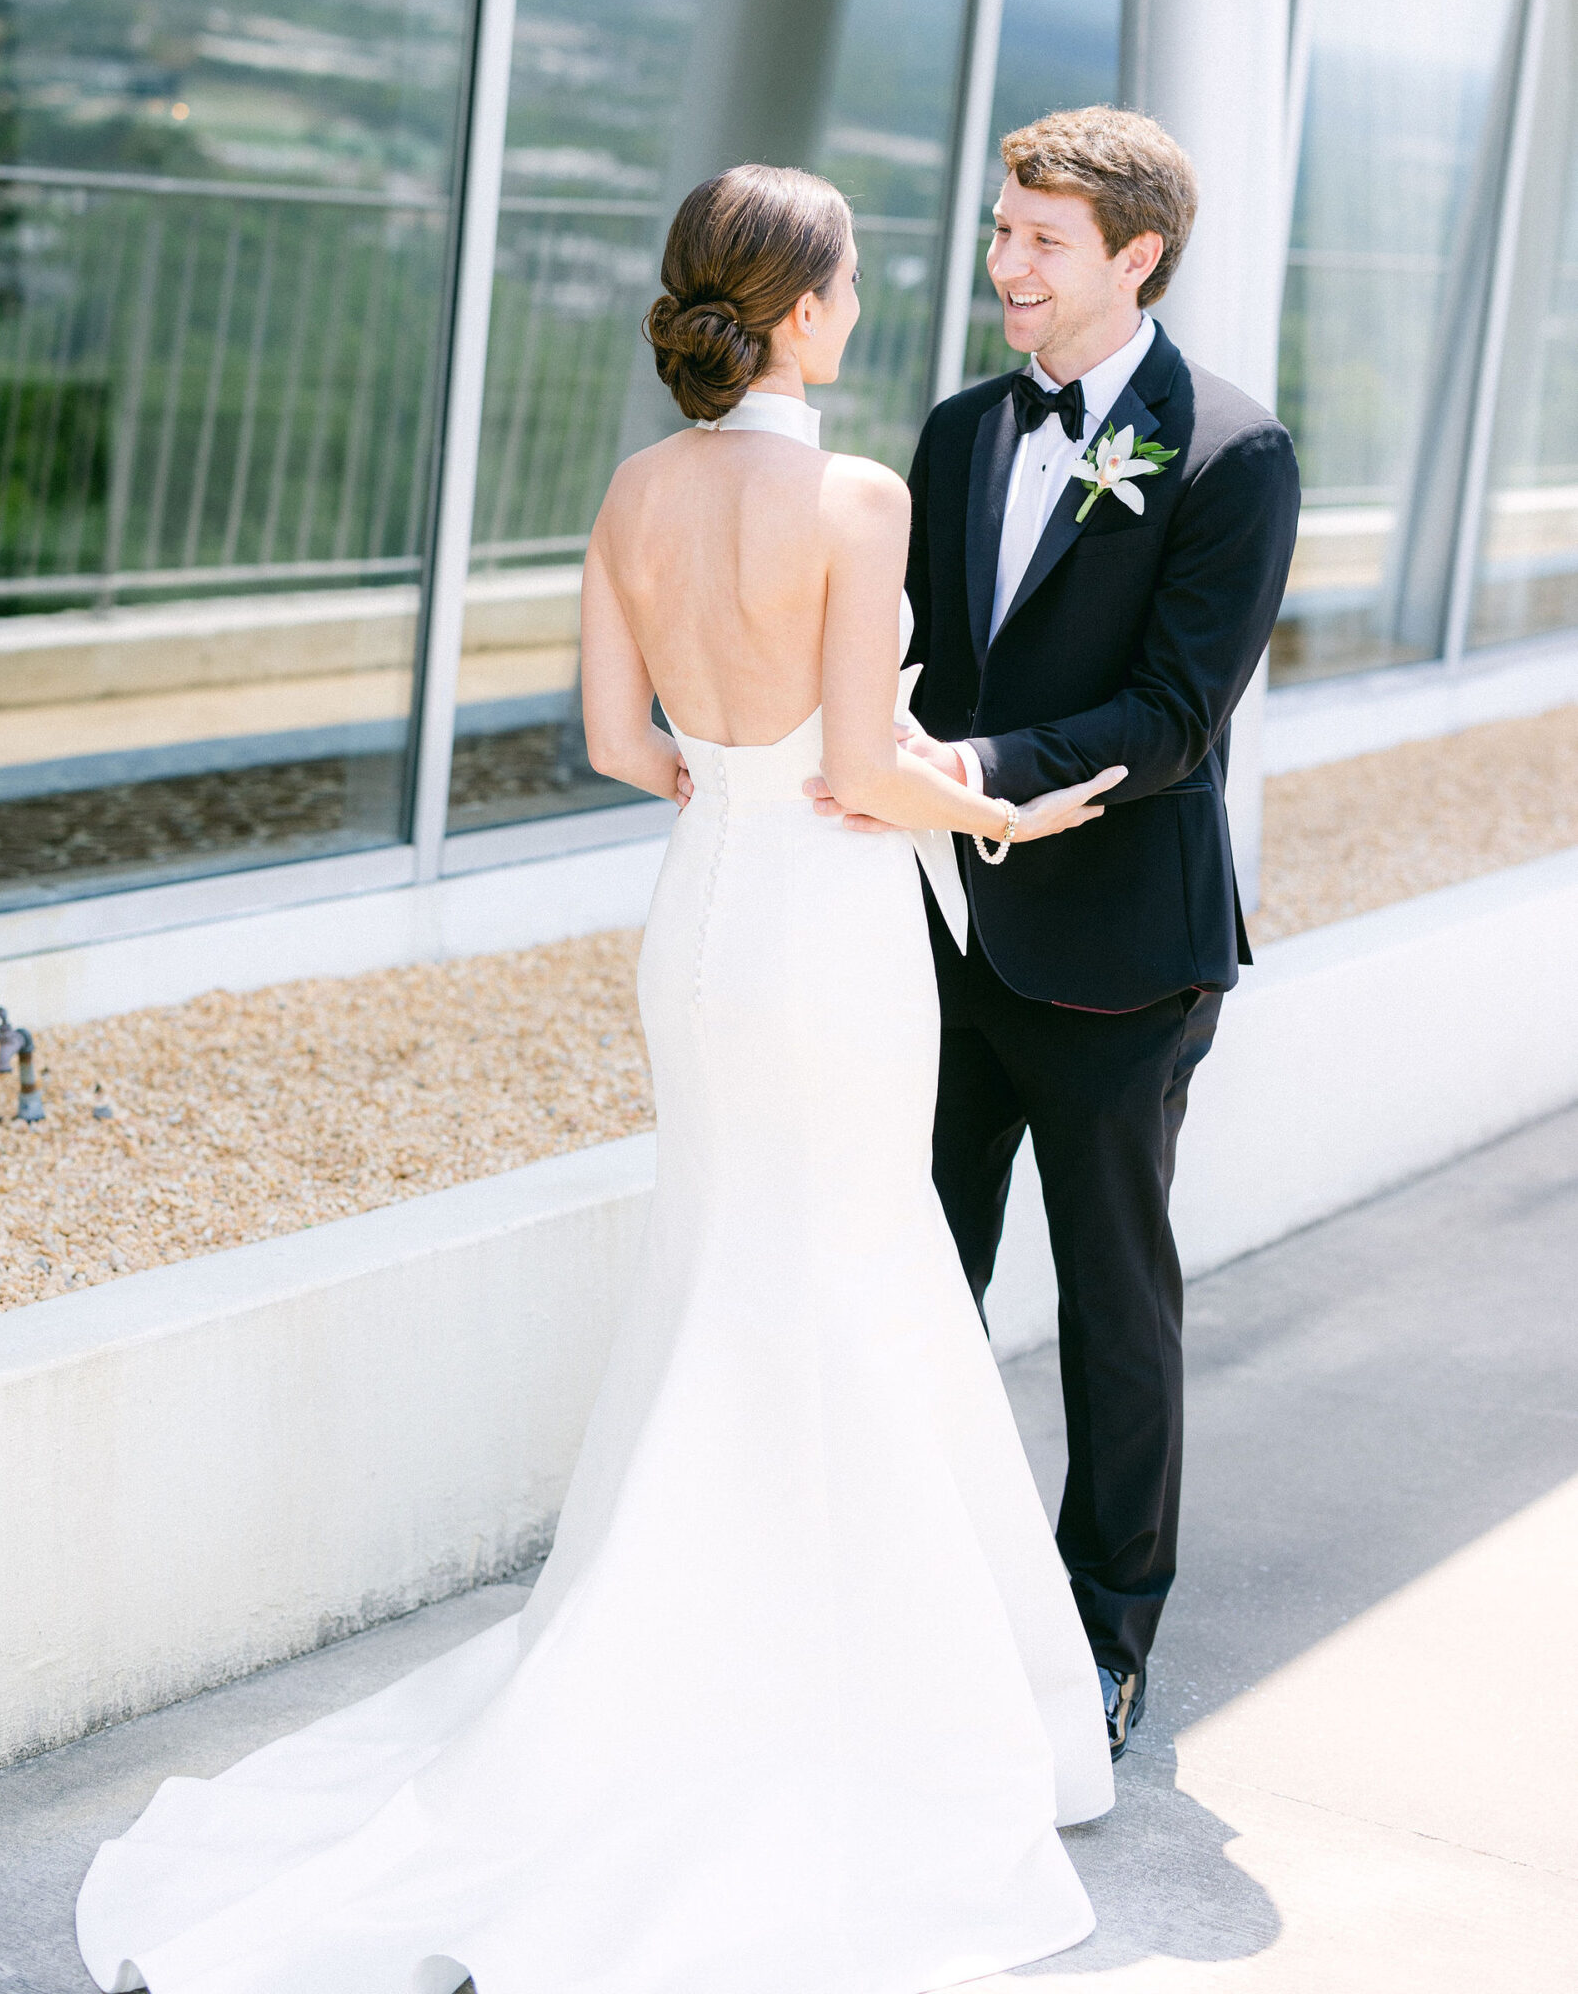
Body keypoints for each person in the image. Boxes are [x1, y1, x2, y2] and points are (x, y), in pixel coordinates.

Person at [74, 162, 1123, 1994]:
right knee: (850, 1265)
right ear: (797, 310)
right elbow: (872, 773)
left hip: (703, 920)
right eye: (856, 280)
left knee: (731, 1265)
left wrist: (736, 780)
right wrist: (1003, 809)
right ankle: (842, 1678)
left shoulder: (637, 490)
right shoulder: (856, 493)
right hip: (829, 934)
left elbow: (609, 741)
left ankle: (676, 1640)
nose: (869, 301)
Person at [815, 107, 1300, 1760]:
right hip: (944, 939)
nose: (1002, 263)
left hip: (1120, 960)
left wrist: (958, 772)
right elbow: (925, 658)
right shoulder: (958, 432)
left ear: (1135, 257)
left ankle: (1104, 1633)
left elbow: (1173, 717)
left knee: (1113, 1306)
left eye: (1040, 241)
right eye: (1003, 230)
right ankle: (897, 1584)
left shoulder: (1232, 453)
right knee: (918, 1270)